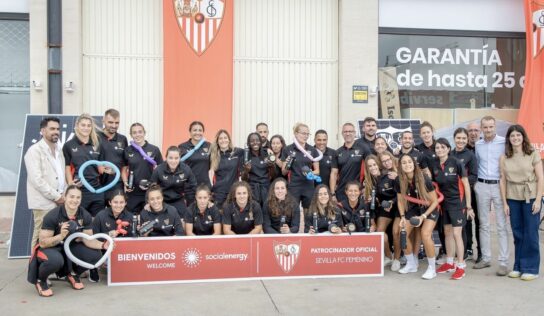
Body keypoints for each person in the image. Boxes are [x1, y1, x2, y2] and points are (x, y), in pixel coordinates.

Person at [27, 185, 109, 297]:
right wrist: (60, 236)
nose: (74, 200)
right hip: (52, 247)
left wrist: (103, 245)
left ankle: (73, 273)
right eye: (71, 197)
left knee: (95, 256)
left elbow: (88, 240)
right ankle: (41, 280)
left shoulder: (85, 215)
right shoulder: (53, 215)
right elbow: (43, 243)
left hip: (71, 245)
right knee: (56, 261)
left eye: (78, 197)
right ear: (65, 197)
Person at [500, 124, 543, 281]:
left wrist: (538, 200)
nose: (515, 138)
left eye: (518, 135)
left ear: (523, 137)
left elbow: (541, 178)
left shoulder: (532, 153)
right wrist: (505, 203)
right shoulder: (505, 157)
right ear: (509, 139)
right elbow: (503, 181)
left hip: (530, 196)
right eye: (512, 136)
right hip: (513, 198)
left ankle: (531, 268)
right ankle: (518, 266)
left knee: (530, 233)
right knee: (517, 233)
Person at [431, 138, 474, 280]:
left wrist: (468, 206)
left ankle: (460, 265)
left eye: (443, 147)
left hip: (458, 203)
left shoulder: (456, 162)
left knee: (457, 234)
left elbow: (466, 185)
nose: (440, 150)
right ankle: (449, 262)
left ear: (448, 149)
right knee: (448, 232)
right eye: (437, 148)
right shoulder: (435, 165)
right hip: (444, 204)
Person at [473, 116, 509, 276]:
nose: (488, 130)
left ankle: (503, 262)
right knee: (483, 224)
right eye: (485, 127)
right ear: (482, 128)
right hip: (482, 185)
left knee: (501, 225)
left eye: (491, 127)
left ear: (495, 127)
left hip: (498, 185)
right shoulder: (478, 144)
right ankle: (486, 258)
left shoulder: (503, 143)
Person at [395, 154, 439, 279]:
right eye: (404, 162)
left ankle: (432, 268)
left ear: (414, 164)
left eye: (409, 161)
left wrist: (423, 216)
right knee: (401, 233)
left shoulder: (423, 178)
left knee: (425, 234)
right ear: (400, 165)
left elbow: (435, 201)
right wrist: (403, 216)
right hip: (413, 209)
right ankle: (411, 264)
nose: (407, 164)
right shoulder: (399, 180)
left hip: (429, 209)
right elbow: (400, 200)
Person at [25, 117, 66, 249]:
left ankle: (54, 266)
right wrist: (56, 197)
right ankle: (34, 267)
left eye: (58, 129)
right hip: (44, 202)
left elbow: (60, 176)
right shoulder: (34, 151)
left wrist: (64, 193)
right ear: (42, 131)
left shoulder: (59, 151)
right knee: (39, 237)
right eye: (52, 129)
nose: (56, 132)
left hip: (60, 200)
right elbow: (37, 180)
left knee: (56, 236)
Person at [63, 114, 105, 217]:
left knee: (97, 221)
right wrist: (70, 183)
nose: (86, 128)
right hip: (79, 190)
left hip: (96, 189)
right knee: (80, 221)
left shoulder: (97, 143)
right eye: (83, 125)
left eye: (88, 125)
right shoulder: (69, 145)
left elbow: (101, 167)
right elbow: (67, 167)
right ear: (77, 125)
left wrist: (109, 170)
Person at [91, 189, 134, 282]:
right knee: (92, 252)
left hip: (123, 252)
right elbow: (93, 237)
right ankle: (94, 269)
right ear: (110, 202)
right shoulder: (100, 216)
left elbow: (133, 239)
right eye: (115, 202)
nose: (118, 205)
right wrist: (108, 234)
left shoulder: (130, 217)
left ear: (125, 203)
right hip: (104, 250)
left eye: (121, 202)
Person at [451, 127, 480, 262]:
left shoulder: (470, 155)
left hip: (467, 194)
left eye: (463, 138)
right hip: (452, 195)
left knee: (467, 222)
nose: (461, 141)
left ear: (467, 139)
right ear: (454, 138)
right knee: (457, 225)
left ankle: (468, 248)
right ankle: (458, 250)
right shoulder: (450, 153)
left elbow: (474, 175)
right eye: (458, 138)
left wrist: (461, 183)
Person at [122, 123, 163, 214]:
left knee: (149, 218)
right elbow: (124, 169)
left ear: (144, 133)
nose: (137, 134)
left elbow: (161, 169)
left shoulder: (154, 149)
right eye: (134, 132)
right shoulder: (127, 150)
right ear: (131, 135)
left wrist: (155, 186)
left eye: (140, 132)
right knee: (132, 218)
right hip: (133, 192)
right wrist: (125, 183)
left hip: (149, 192)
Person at [281, 123, 321, 209]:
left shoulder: (312, 150)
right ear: (295, 133)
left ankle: (308, 223)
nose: (306, 136)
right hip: (294, 185)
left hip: (308, 185)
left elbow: (317, 171)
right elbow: (283, 172)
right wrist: (288, 164)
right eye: (303, 133)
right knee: (292, 210)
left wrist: (309, 173)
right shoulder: (287, 149)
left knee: (309, 212)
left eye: (308, 134)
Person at [150, 146, 197, 220]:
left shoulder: (186, 169)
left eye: (176, 158)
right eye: (170, 158)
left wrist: (199, 200)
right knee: (161, 221)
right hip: (162, 200)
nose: (173, 161)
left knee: (185, 219)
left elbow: (194, 185)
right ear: (166, 158)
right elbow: (151, 188)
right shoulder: (159, 169)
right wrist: (148, 203)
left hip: (178, 199)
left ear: (180, 158)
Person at [331, 123, 371, 202]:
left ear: (354, 133)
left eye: (350, 131)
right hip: (341, 192)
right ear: (342, 133)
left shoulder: (363, 148)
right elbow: (334, 174)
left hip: (358, 191)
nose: (348, 133)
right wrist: (332, 194)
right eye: (345, 131)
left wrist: (367, 187)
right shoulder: (337, 152)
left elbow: (371, 168)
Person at [378, 151, 402, 271]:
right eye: (383, 161)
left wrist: (398, 177)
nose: (387, 163)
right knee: (379, 231)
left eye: (388, 160)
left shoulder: (401, 171)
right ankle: (389, 256)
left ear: (392, 158)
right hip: (387, 206)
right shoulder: (382, 176)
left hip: (399, 206)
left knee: (395, 232)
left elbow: (404, 192)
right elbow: (380, 194)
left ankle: (397, 259)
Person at [209, 129, 244, 208]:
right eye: (220, 138)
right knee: (219, 217)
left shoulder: (238, 152)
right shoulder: (213, 155)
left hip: (233, 191)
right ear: (217, 141)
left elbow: (252, 150)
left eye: (225, 138)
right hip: (218, 193)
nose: (223, 140)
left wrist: (267, 149)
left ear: (229, 140)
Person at [98, 109, 128, 200]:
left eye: (117, 123)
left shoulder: (122, 139)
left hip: (117, 184)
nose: (114, 126)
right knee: (99, 214)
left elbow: (125, 164)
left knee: (117, 212)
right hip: (98, 183)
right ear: (103, 121)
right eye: (110, 122)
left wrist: (125, 181)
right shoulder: (95, 137)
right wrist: (100, 168)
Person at [242, 133, 274, 207]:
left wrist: (271, 166)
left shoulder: (267, 154)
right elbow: (243, 179)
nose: (255, 142)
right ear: (248, 143)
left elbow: (273, 175)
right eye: (252, 141)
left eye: (257, 140)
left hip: (266, 188)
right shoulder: (245, 156)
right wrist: (246, 171)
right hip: (252, 189)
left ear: (261, 142)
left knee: (266, 211)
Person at [178, 121, 211, 188]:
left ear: (203, 132)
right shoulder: (182, 147)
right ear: (190, 132)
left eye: (200, 130)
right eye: (195, 130)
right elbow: (178, 166)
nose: (197, 133)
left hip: (205, 186)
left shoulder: (209, 146)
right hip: (189, 185)